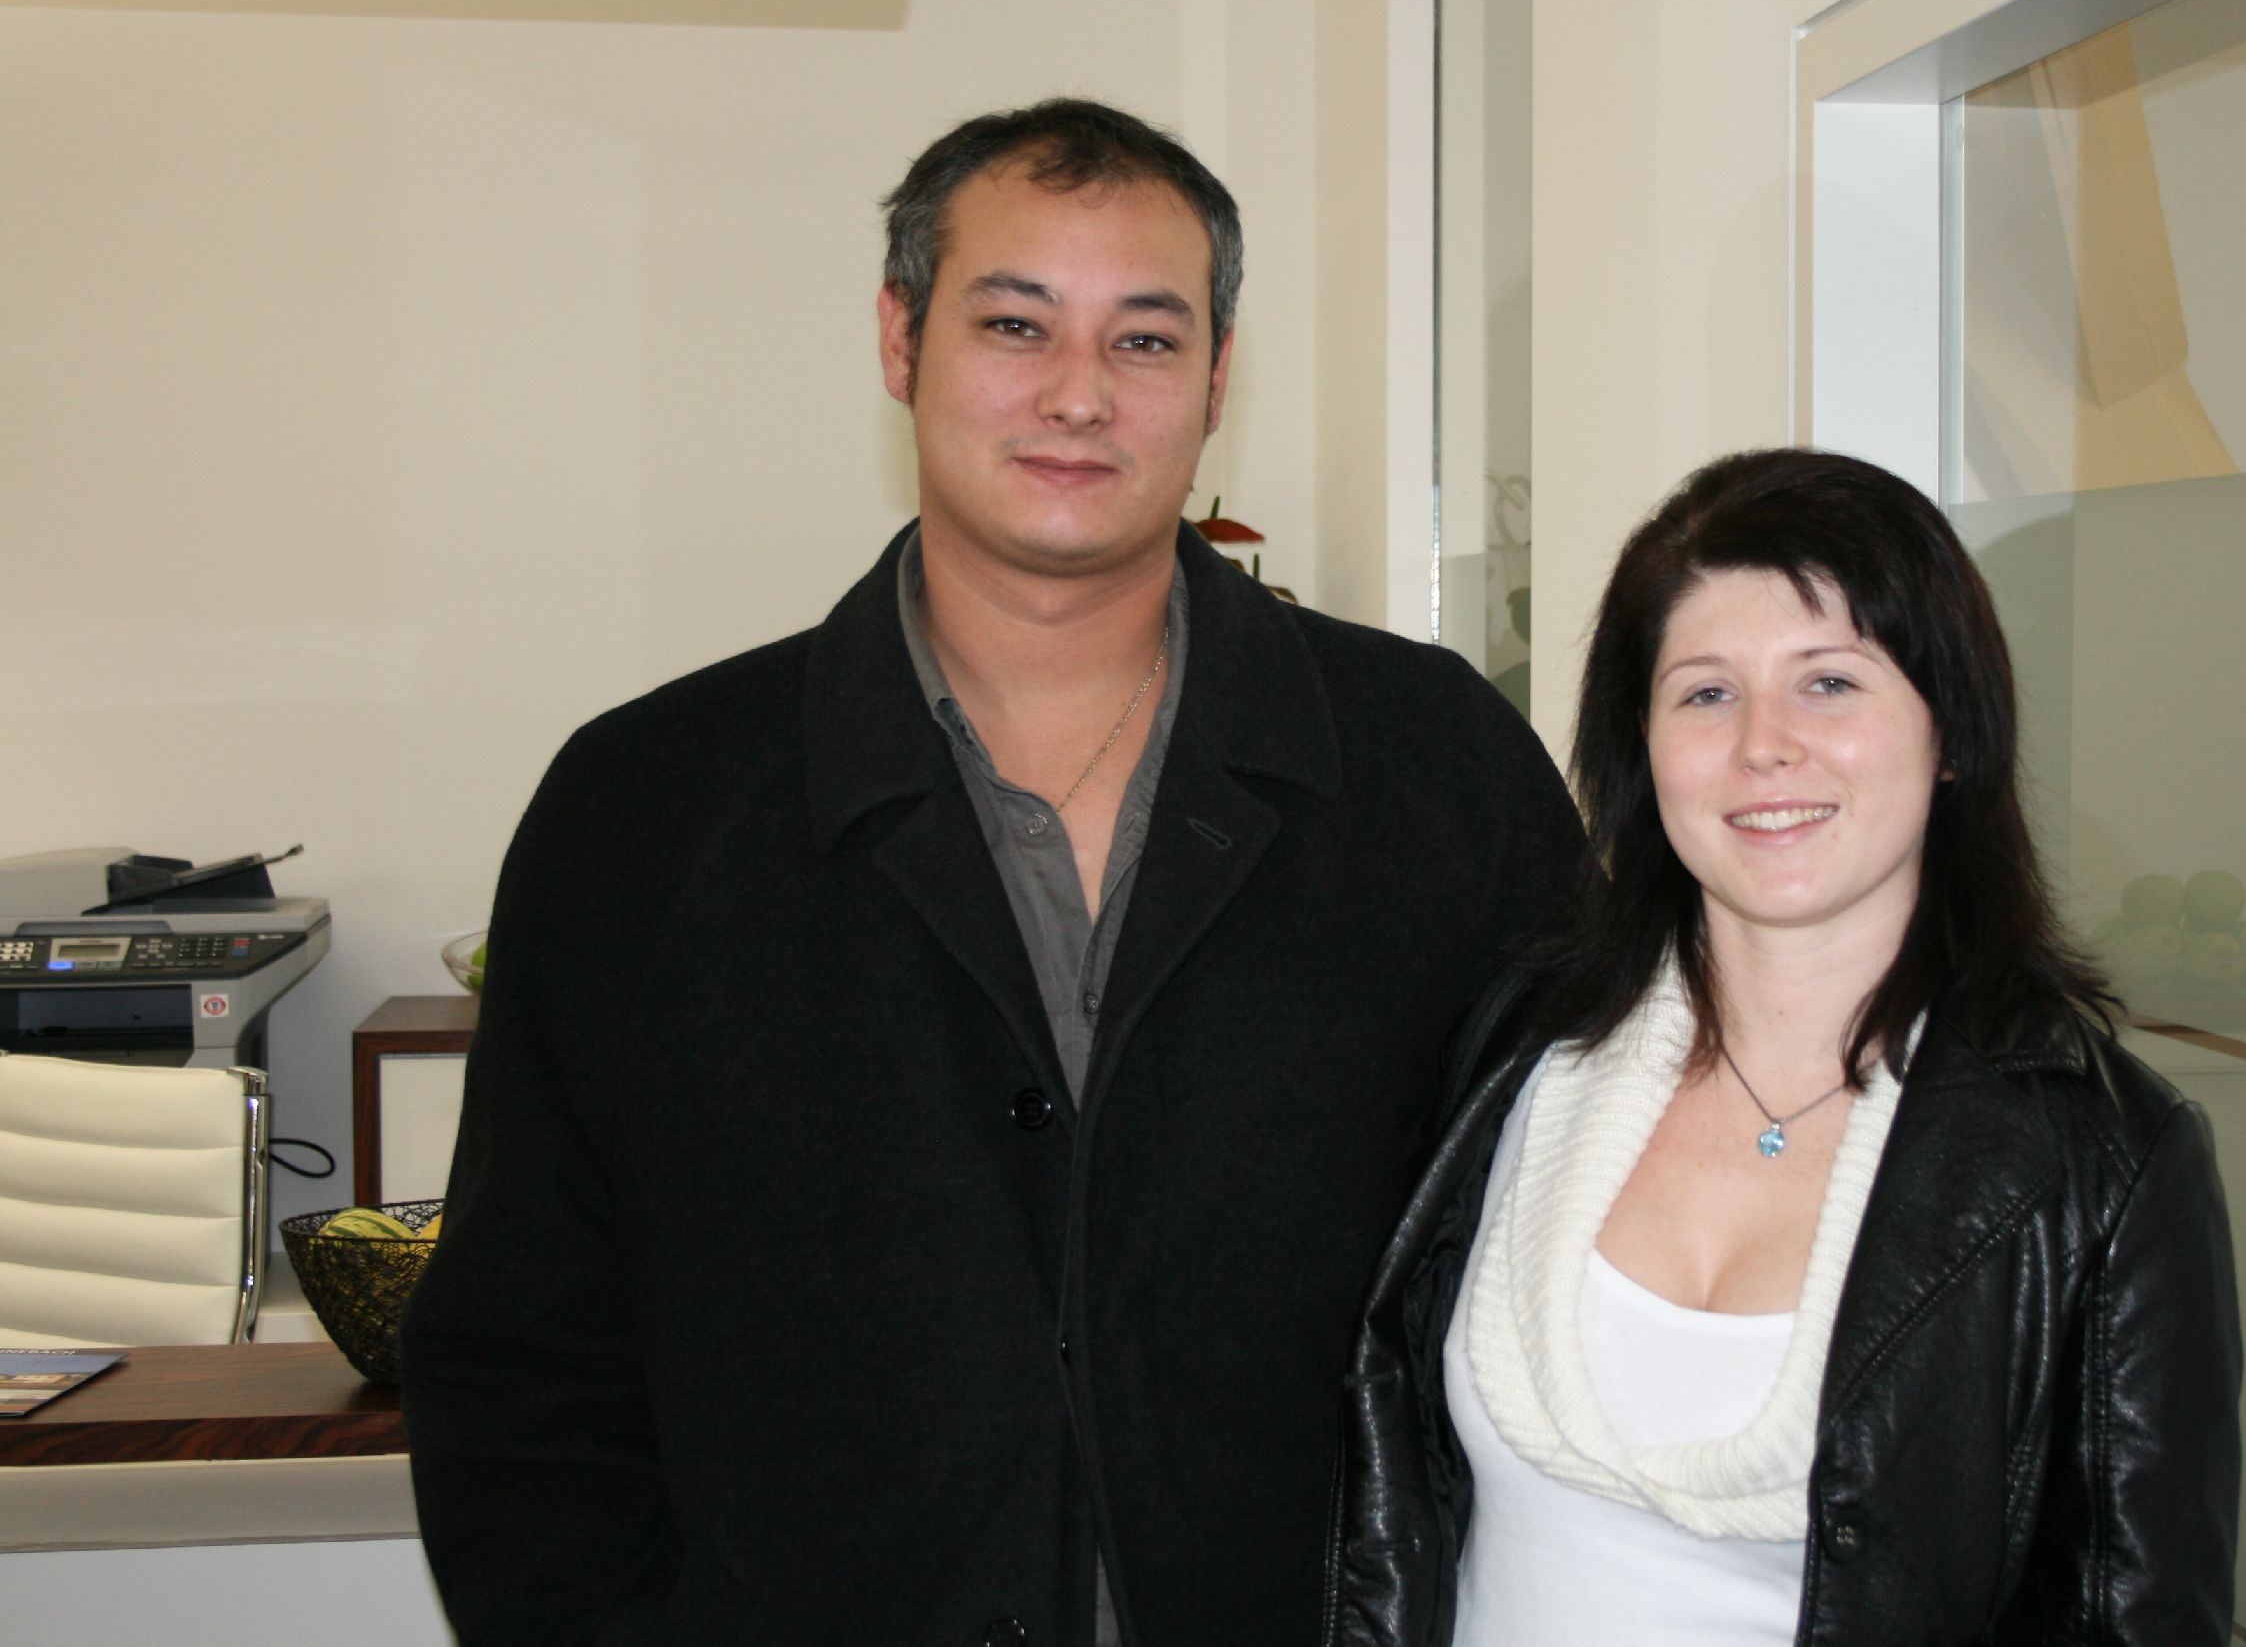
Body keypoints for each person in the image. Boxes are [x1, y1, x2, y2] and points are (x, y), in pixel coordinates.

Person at [399, 99, 1583, 1646]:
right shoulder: (645, 812)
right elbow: (522, 1365)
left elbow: (1561, 1269)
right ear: (900, 338)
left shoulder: (1437, 771)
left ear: (1217, 377)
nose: (1078, 393)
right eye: (1015, 324)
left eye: (1144, 339)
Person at [1329, 449, 2242, 1643]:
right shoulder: (1516, 1051)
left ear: (1950, 729)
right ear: (1640, 744)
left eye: (1829, 682)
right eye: (1706, 692)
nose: (1764, 743)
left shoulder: (2102, 1162)